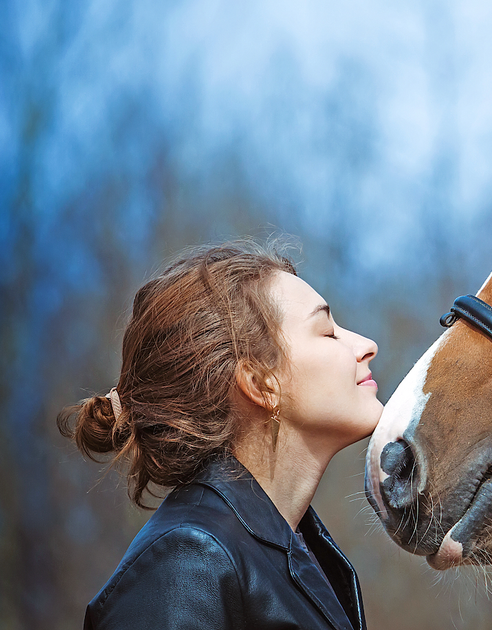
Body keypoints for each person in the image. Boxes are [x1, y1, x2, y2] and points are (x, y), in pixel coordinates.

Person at [58, 241, 381, 629]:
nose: (366, 346)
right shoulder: (187, 562)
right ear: (261, 384)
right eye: (328, 332)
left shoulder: (304, 552)